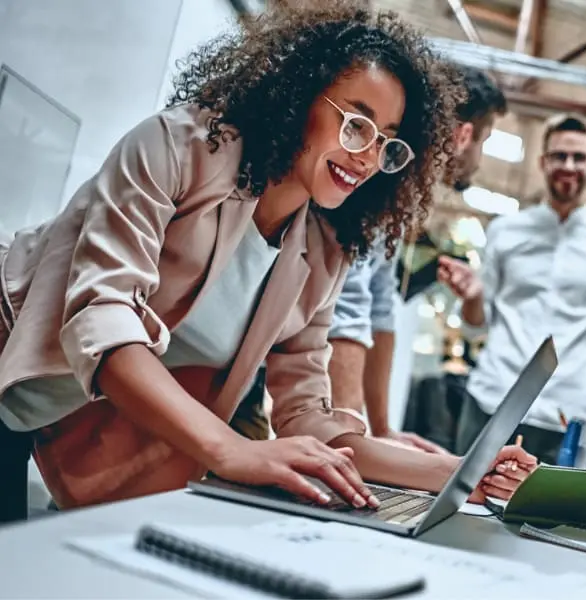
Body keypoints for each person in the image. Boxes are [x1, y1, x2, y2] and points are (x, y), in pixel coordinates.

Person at [0, 1, 535, 524]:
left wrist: (461, 471)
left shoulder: (324, 251)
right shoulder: (177, 147)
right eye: (356, 125)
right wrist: (231, 450)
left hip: (59, 418)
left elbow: (307, 416)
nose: (368, 158)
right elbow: (103, 319)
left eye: (388, 144)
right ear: (300, 97)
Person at [438, 114, 586, 465]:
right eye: (559, 156)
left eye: (579, 157)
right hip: (493, 399)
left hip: (566, 413)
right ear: (542, 162)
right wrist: (474, 297)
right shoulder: (505, 231)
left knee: (547, 517)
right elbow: (476, 324)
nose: (569, 165)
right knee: (463, 506)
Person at [323, 65, 507, 453]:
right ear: (463, 135)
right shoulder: (380, 180)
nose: (478, 158)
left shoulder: (405, 196)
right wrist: (354, 441)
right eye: (484, 141)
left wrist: (381, 429)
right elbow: (350, 305)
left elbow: (379, 305)